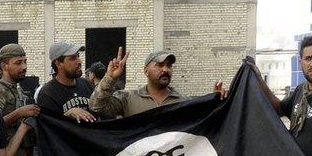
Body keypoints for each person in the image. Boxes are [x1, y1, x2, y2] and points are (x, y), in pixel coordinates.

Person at [89, 49, 226, 118]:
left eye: (169, 65)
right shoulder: (128, 99)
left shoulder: (183, 102)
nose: (165, 69)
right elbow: (96, 106)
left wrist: (215, 101)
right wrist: (110, 78)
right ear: (146, 70)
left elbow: (205, 122)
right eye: (160, 65)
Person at [37, 41, 97, 123]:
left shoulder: (86, 84)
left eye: (78, 56)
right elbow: (48, 129)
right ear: (58, 64)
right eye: (72, 58)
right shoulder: (47, 93)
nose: (79, 62)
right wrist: (67, 115)